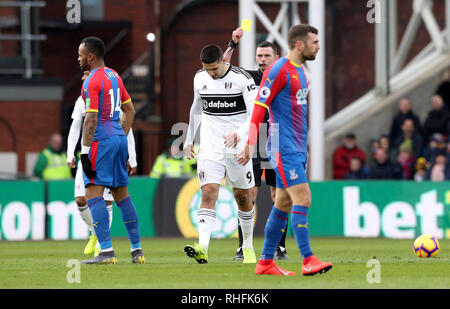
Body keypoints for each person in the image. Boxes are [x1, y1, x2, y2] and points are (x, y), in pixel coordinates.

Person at [237, 24, 333, 276]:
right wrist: (250, 143)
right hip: (282, 148)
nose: (318, 46)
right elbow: (259, 107)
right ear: (299, 44)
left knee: (282, 204)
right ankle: (308, 259)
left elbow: (299, 114)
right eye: (315, 42)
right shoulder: (277, 70)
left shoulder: (301, 72)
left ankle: (265, 262)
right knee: (304, 198)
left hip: (298, 148)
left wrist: (306, 146)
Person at [183, 44, 258, 264]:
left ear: (224, 62)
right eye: (207, 69)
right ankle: (202, 247)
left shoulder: (242, 79)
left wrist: (241, 134)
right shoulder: (200, 78)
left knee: (243, 197)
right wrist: (189, 140)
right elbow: (196, 108)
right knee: (208, 192)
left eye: (214, 69)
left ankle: (248, 247)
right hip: (210, 147)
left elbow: (255, 113)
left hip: (237, 147)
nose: (211, 74)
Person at [77, 36, 144, 264]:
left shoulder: (91, 81)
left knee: (93, 194)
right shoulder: (114, 75)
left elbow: (91, 118)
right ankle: (137, 251)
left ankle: (105, 252)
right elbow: (131, 111)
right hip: (117, 135)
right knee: (121, 195)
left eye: (81, 55)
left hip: (101, 140)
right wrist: (120, 137)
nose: (79, 59)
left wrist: (85, 153)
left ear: (91, 56)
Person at [223, 27, 287, 261]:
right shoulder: (248, 76)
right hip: (253, 137)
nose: (261, 60)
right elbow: (221, 66)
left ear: (276, 58)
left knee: (277, 194)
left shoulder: (285, 77)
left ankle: (279, 247)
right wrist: (233, 43)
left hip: (277, 137)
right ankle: (244, 246)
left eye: (266, 56)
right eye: (259, 56)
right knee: (247, 193)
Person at [67, 70, 138, 257]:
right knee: (84, 199)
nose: (83, 77)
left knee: (103, 197)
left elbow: (115, 121)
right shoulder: (109, 81)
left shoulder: (99, 89)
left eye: (85, 73)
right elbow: (77, 126)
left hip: (100, 147)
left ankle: (104, 246)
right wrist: (71, 153)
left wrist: (132, 155)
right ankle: (132, 248)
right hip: (99, 147)